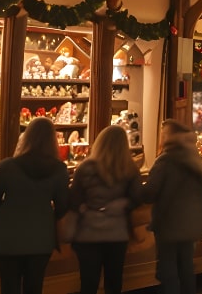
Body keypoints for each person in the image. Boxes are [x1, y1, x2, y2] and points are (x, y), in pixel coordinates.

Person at [0, 117, 70, 294]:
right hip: (42, 239)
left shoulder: (6, 166)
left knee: (9, 287)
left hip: (7, 238)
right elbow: (62, 208)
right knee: (34, 288)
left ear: (26, 137)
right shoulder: (59, 170)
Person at [69, 125, 143, 294]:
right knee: (114, 282)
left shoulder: (85, 167)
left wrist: (84, 208)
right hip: (117, 233)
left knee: (88, 284)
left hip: (88, 233)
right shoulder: (130, 168)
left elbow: (73, 200)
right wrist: (123, 204)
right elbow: (138, 197)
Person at [141, 119, 202, 294]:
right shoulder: (194, 160)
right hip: (191, 225)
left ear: (168, 137)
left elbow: (150, 192)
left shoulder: (165, 161)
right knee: (186, 269)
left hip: (169, 224)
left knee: (168, 270)